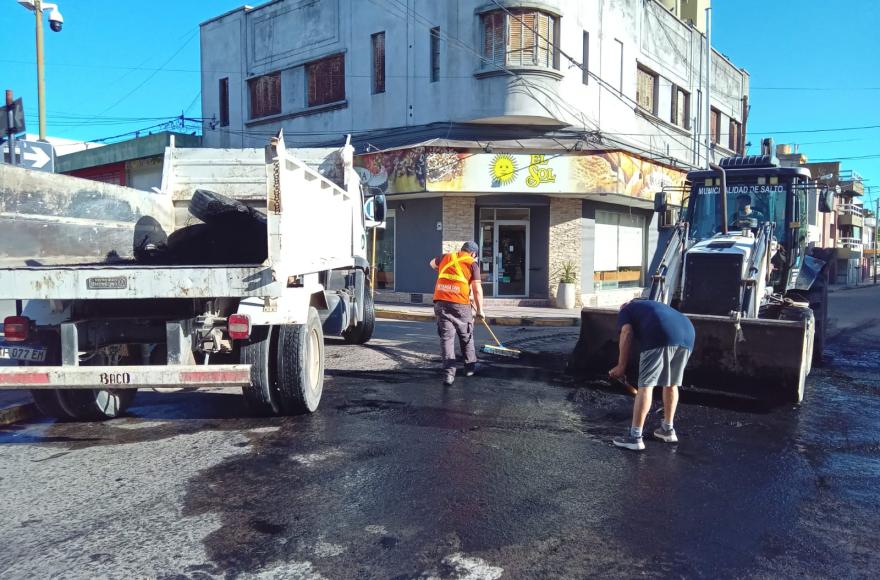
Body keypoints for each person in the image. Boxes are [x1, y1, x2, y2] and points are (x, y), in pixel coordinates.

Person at [609, 299, 695, 451]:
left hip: (661, 331)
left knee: (646, 386)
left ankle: (635, 437)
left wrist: (621, 366)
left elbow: (626, 332)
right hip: (687, 332)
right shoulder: (651, 306)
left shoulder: (626, 309)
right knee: (671, 383)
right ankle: (667, 430)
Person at [430, 241, 485, 386]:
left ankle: (448, 376)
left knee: (446, 339)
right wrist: (480, 310)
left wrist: (444, 270)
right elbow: (477, 290)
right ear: (473, 253)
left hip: (441, 302)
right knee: (466, 334)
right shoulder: (472, 263)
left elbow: (431, 264)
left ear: (462, 250)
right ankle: (469, 368)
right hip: (460, 304)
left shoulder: (445, 257)